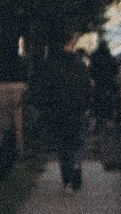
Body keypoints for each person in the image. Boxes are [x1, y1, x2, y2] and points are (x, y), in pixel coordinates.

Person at [28, 44, 89, 190]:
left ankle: (67, 179)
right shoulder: (80, 65)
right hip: (77, 110)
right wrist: (86, 106)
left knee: (63, 145)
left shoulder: (51, 66)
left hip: (59, 112)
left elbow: (45, 91)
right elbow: (87, 87)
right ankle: (77, 163)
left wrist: (47, 109)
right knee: (77, 141)